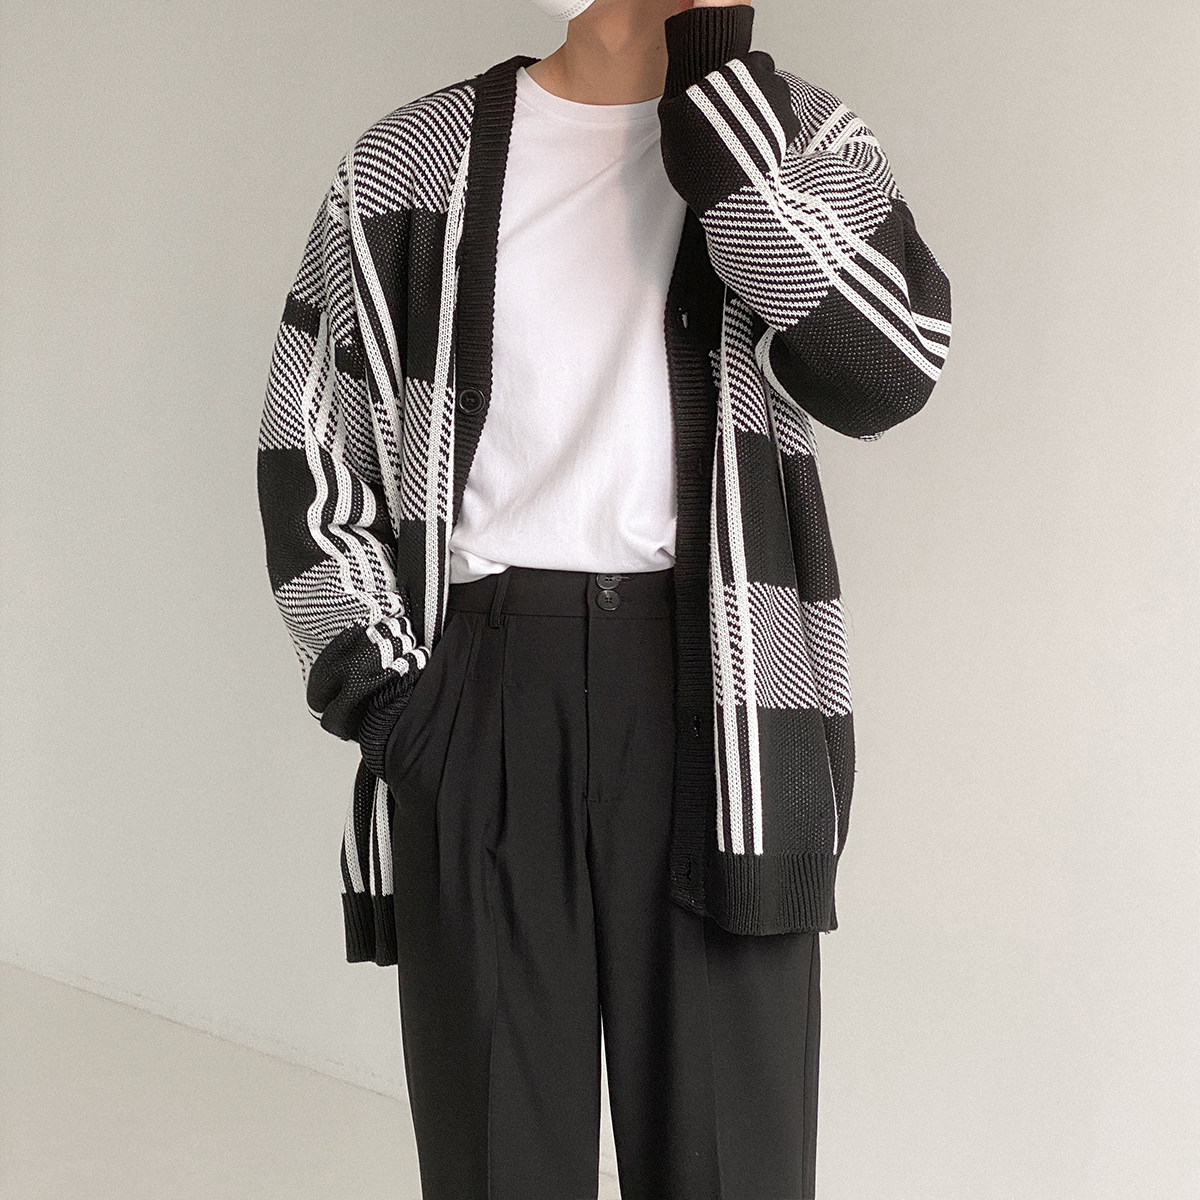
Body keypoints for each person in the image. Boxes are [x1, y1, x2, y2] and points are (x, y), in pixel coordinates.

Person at [256, 1, 952, 1197]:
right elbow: (312, 446)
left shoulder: (797, 139)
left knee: (733, 1167)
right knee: (497, 1162)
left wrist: (721, 101)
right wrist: (393, 703)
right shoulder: (408, 162)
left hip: (725, 708)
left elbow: (886, 367)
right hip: (477, 696)